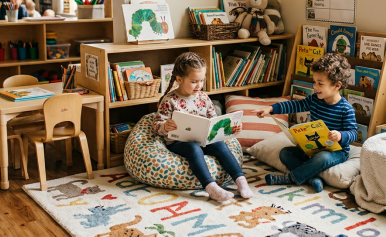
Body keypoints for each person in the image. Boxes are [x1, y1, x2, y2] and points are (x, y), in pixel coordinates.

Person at [153, 52, 253, 201]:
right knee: (193, 148)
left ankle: (241, 181)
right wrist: (165, 126)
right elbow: (156, 125)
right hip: (179, 143)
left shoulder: (203, 97)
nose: (199, 85)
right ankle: (211, 187)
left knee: (220, 146)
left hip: (203, 140)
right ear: (179, 79)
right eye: (194, 81)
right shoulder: (169, 100)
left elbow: (213, 120)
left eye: (201, 80)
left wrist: (230, 129)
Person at [253, 54, 358, 193]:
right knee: (285, 153)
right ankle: (312, 178)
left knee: (322, 157)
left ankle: (291, 178)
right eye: (314, 82)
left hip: (336, 152)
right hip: (312, 148)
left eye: (320, 83)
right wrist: (270, 109)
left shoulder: (346, 109)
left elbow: (353, 133)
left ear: (337, 85)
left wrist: (340, 135)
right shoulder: (315, 99)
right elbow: (295, 105)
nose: (315, 87)